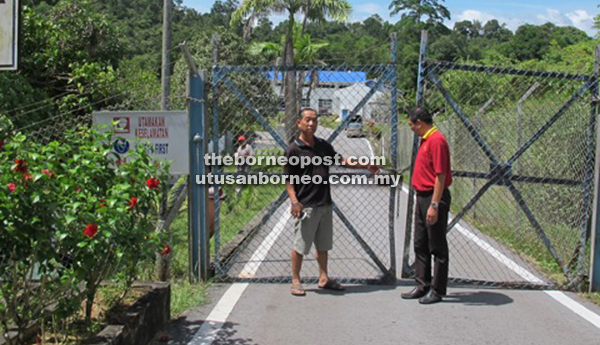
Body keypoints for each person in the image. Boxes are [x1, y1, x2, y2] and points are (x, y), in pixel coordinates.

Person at [284, 108, 380, 296]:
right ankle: (295, 280)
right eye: (307, 120)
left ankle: (324, 277)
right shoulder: (293, 149)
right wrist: (294, 202)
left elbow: (342, 161)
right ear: (299, 123)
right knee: (301, 245)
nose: (311, 124)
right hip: (306, 205)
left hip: (324, 203)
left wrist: (365, 165)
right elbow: (289, 180)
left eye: (314, 120)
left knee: (323, 244)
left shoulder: (323, 146)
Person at [401, 106, 452, 304]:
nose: (411, 128)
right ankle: (422, 284)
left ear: (419, 123)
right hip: (422, 196)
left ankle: (437, 290)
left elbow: (440, 175)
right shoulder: (426, 140)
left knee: (437, 245)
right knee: (420, 243)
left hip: (433, 197)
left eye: (411, 125)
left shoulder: (437, 140)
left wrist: (435, 205)